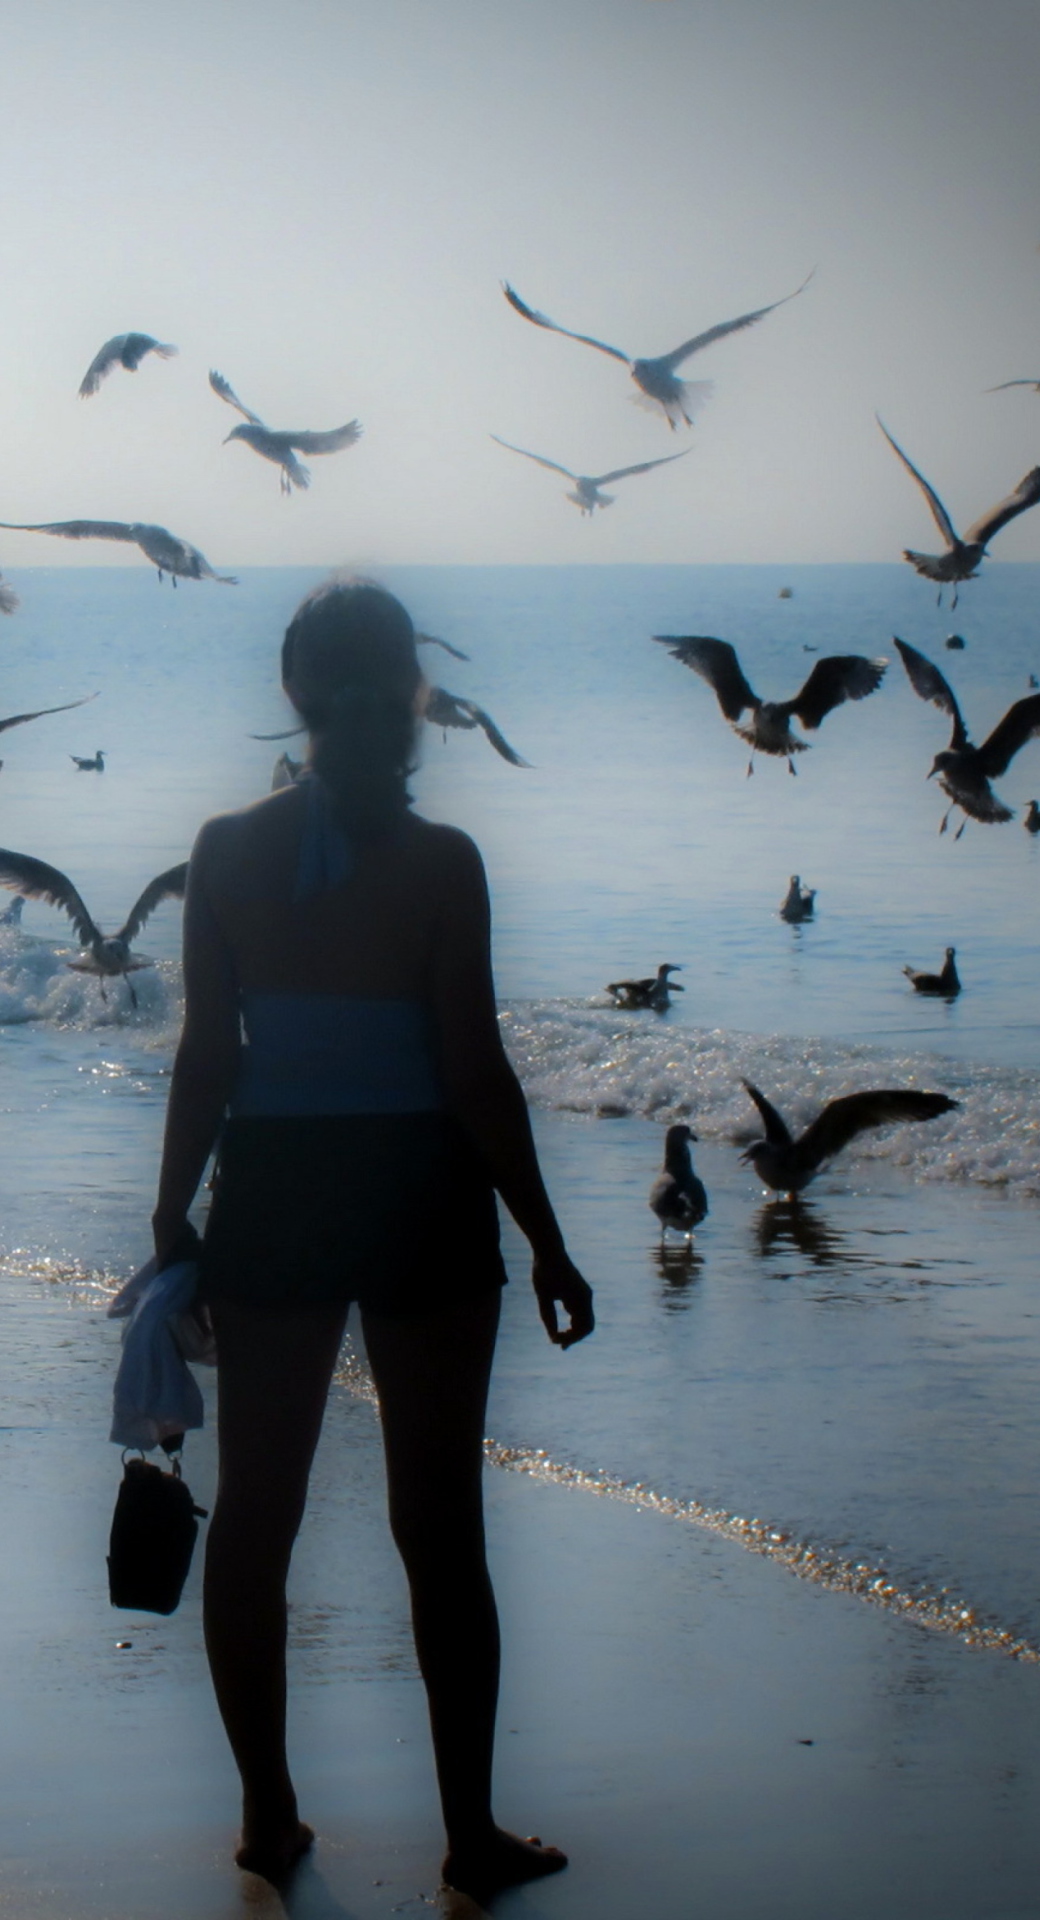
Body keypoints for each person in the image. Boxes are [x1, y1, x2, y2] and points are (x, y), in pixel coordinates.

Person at [152, 578, 594, 1900]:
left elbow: (205, 1061)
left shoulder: (227, 850)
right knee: (441, 1528)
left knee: (257, 1519)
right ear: (411, 695)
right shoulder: (443, 865)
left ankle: (266, 1817)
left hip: (277, 1190)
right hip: (419, 1187)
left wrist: (173, 1215)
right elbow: (475, 1074)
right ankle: (468, 1836)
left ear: (291, 690)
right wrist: (552, 1241)